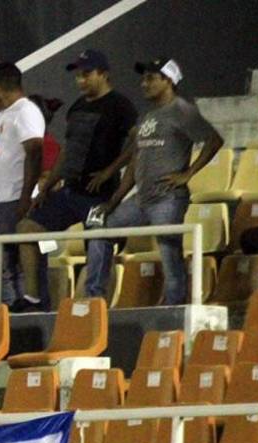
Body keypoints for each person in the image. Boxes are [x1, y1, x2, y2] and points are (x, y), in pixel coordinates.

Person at [83, 58, 222, 306]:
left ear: (168, 80)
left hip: (167, 197)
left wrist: (187, 173)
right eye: (143, 78)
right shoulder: (148, 116)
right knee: (99, 229)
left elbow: (213, 140)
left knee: (169, 251)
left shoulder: (181, 109)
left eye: (150, 78)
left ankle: (174, 307)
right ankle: (94, 299)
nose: (143, 83)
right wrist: (113, 201)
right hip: (141, 198)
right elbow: (135, 162)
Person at [17, 50, 137, 306]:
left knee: (99, 242)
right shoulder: (78, 107)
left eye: (87, 74)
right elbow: (68, 151)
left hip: (100, 195)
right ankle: (34, 297)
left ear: (103, 74)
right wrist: (47, 186)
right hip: (70, 191)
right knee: (27, 229)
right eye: (78, 76)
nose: (81, 81)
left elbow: (137, 142)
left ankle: (96, 300)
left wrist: (110, 170)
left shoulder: (120, 105)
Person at [0, 62, 44, 309]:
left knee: (12, 264)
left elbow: (35, 151)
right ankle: (7, 313)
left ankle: (19, 314)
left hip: (12, 200)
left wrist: (25, 195)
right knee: (2, 265)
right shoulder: (5, 114)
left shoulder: (25, 112)